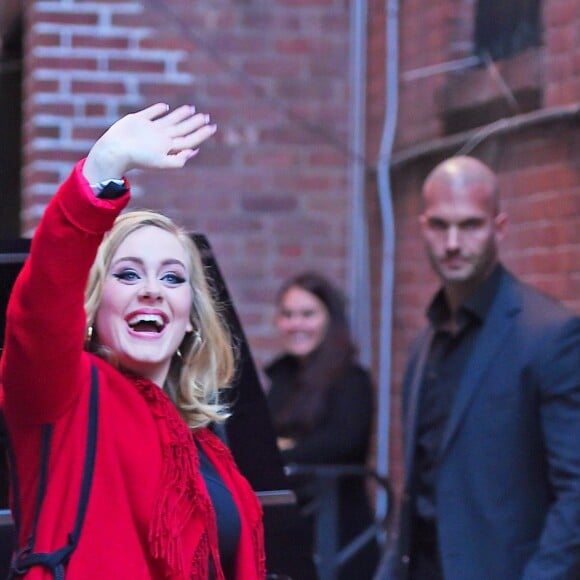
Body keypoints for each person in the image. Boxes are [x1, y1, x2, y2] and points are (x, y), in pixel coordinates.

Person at [0, 103, 265, 579]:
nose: (151, 290)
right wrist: (103, 169)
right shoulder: (66, 396)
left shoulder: (206, 447)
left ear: (190, 319)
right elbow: (41, 305)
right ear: (93, 305)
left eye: (171, 277)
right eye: (127, 274)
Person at [376, 156, 580, 579]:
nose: (452, 242)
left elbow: (576, 491)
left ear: (499, 227)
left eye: (470, 225)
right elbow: (418, 489)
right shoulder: (424, 343)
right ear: (423, 228)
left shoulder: (550, 335)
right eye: (439, 225)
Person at [265, 272, 379, 580]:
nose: (296, 324)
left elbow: (342, 443)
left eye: (307, 314)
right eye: (288, 314)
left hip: (339, 537)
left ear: (330, 320)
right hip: (293, 530)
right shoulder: (281, 377)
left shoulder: (351, 379)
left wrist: (281, 451)